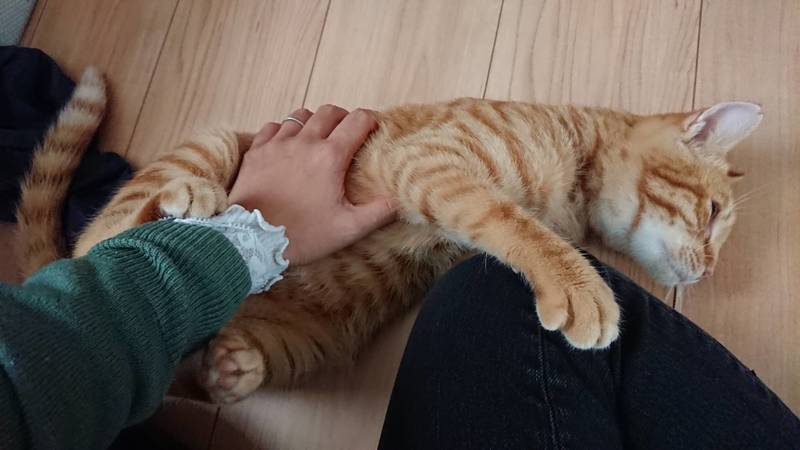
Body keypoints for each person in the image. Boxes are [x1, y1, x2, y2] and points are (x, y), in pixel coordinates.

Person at [1, 106, 798, 450]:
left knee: (322, 337)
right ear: (686, 131)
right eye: (709, 214)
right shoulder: (558, 137)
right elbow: (420, 172)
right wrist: (548, 257)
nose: (705, 258)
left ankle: (212, 356)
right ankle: (152, 243)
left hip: (279, 298)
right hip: (180, 259)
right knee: (217, 151)